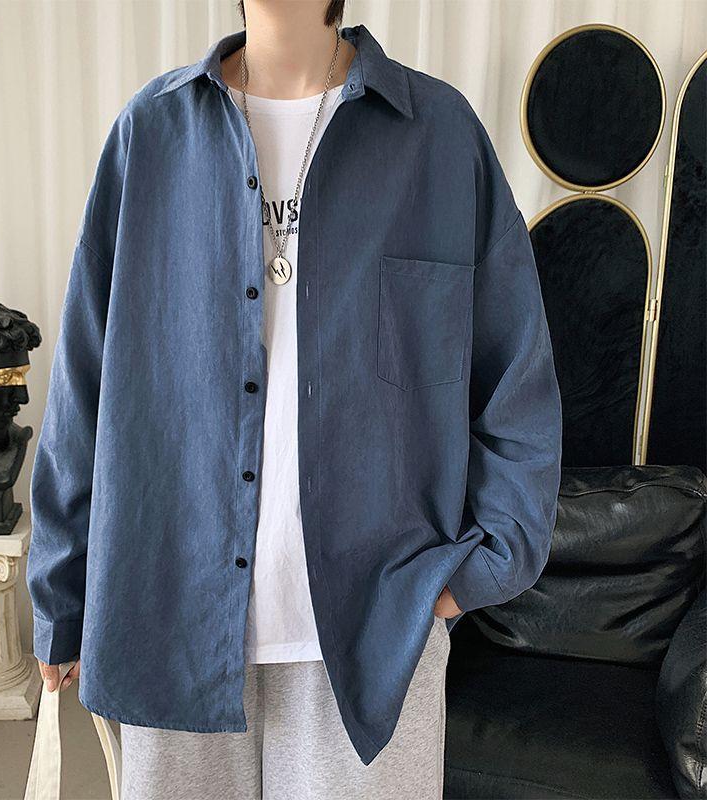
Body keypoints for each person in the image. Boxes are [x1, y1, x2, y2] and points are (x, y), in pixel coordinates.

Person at [27, 1, 563, 798]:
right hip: (169, 605)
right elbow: (84, 380)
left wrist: (480, 570)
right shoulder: (153, 133)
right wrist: (60, 591)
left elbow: (514, 372)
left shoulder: (439, 135)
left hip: (382, 621)